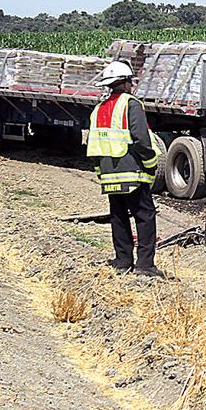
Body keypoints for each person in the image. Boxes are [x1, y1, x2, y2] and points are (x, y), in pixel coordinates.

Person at [87, 61, 165, 277]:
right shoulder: (131, 104)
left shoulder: (98, 109)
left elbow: (93, 144)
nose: (131, 85)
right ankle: (145, 265)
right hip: (132, 171)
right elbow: (141, 139)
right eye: (130, 81)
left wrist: (100, 171)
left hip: (108, 174)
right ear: (124, 83)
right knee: (145, 215)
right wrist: (150, 165)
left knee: (118, 215)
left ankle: (122, 261)